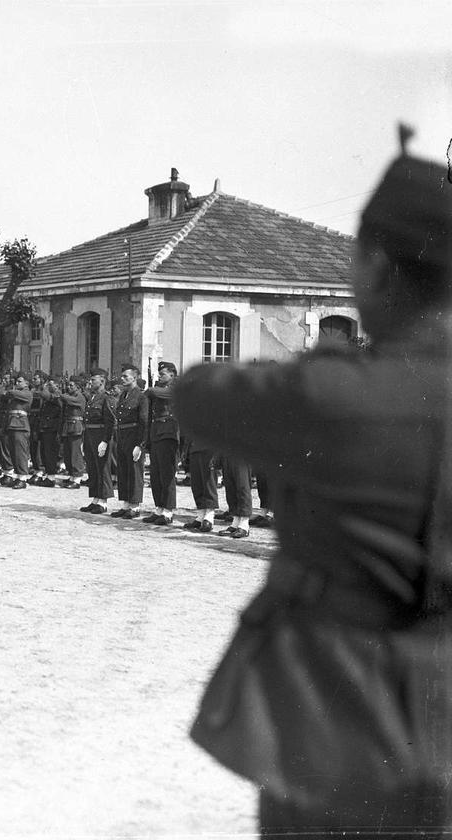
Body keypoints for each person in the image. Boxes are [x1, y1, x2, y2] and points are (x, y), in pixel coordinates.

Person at [177, 133, 452, 834]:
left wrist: (325, 364)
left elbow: (198, 396)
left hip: (337, 720)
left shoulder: (335, 397)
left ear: (380, 269)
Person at [104, 362, 148, 519]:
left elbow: (144, 422)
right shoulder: (123, 395)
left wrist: (140, 444)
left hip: (134, 436)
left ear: (135, 378)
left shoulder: (141, 396)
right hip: (122, 436)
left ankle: (135, 506)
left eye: (125, 376)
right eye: (121, 376)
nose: (122, 379)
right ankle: (126, 504)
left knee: (135, 471)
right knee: (123, 470)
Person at [144, 361, 180, 525]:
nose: (160, 377)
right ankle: (159, 507)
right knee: (156, 474)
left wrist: (151, 389)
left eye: (162, 374)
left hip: (168, 432)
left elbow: (154, 392)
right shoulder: (160, 389)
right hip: (157, 432)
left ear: (172, 375)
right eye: (158, 375)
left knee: (166, 474)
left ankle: (168, 511)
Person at [81, 368, 116, 512]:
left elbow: (110, 421)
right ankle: (95, 498)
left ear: (102, 381)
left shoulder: (107, 398)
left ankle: (103, 501)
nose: (91, 382)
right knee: (92, 467)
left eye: (93, 380)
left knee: (102, 467)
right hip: (90, 435)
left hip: (100, 435)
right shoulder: (93, 398)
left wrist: (106, 440)